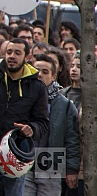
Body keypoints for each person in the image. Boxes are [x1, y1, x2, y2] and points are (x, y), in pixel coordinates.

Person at [0, 39, 49, 196]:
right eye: (9, 52)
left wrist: (31, 129)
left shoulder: (37, 87)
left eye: (17, 53)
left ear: (27, 57)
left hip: (16, 156)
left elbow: (43, 123)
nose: (12, 56)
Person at [25, 54, 79, 195]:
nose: (40, 75)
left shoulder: (65, 104)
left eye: (45, 72)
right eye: (37, 71)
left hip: (51, 161)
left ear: (54, 76)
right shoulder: (23, 97)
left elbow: (71, 139)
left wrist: (71, 169)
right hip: (26, 160)